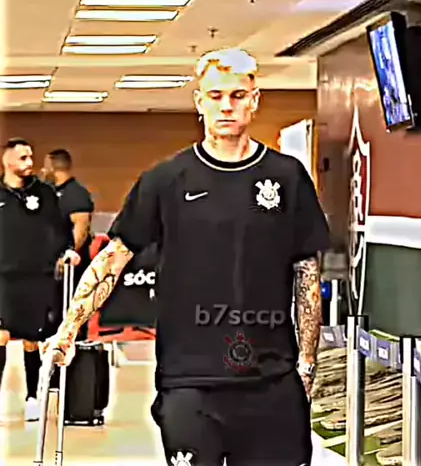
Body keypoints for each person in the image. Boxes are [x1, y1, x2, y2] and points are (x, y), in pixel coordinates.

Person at [43, 48, 331, 465]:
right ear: (199, 102)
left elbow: (306, 272)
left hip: (271, 379)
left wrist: (307, 363)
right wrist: (68, 330)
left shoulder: (287, 177)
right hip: (189, 380)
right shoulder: (166, 180)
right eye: (215, 96)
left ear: (254, 100)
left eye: (237, 95)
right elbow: (113, 259)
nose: (226, 106)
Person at [0, 138, 79, 421]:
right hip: (3, 277)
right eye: (23, 158)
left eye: (31, 157)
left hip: (37, 276)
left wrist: (67, 250)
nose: (30, 163)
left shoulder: (44, 193)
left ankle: (33, 396)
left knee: (31, 340)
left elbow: (61, 228)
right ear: (7, 161)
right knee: (0, 336)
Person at [42, 149, 94, 341]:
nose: (42, 170)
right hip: (49, 266)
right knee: (50, 317)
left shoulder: (76, 194)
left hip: (70, 268)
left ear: (52, 167)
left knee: (70, 314)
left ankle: (74, 352)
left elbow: (81, 229)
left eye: (45, 166)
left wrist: (68, 255)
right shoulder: (49, 192)